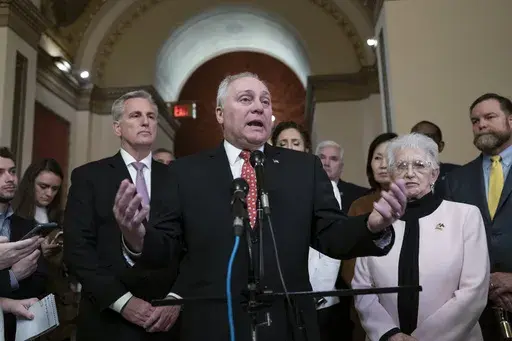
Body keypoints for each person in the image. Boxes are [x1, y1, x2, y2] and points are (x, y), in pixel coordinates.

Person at [113, 72, 408, 341]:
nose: (259, 107)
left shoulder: (304, 169)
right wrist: (135, 236)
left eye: (265, 102)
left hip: (289, 325)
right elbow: (166, 250)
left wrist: (370, 226)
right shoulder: (185, 174)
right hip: (213, 325)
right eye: (246, 99)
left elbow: (330, 234)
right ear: (219, 113)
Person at [63, 90, 181, 341]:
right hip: (108, 320)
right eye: (136, 115)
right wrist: (122, 302)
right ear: (117, 127)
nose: (145, 121)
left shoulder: (177, 178)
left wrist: (175, 299)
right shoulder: (89, 177)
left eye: (151, 116)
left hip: (166, 322)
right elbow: (77, 249)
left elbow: (192, 246)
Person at [353, 133, 489, 341]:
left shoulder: (465, 216)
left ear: (434, 174)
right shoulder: (376, 220)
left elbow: (474, 291)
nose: (409, 173)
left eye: (419, 165)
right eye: (401, 166)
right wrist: (389, 334)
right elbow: (363, 289)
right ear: (390, 174)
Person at [272, 121, 353, 341]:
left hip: (314, 294)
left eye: (295, 142)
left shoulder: (321, 184)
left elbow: (328, 245)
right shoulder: (265, 184)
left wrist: (319, 291)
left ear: (306, 149)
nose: (289, 147)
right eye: (283, 143)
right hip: (277, 293)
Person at [444, 93, 512, 341]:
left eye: (490, 117)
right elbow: (450, 243)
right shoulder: (455, 181)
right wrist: (486, 284)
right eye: (475, 120)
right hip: (478, 309)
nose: (481, 124)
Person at [343, 132, 397, 341]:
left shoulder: (415, 203)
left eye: (389, 157)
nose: (383, 164)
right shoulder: (359, 205)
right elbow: (349, 264)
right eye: (377, 158)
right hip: (368, 306)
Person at [316, 141, 369, 214]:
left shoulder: (359, 195)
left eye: (333, 159)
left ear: (341, 166)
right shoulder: (304, 191)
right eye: (322, 157)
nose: (326, 163)